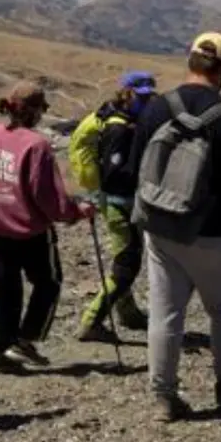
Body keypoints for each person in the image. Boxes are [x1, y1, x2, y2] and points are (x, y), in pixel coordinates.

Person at [127, 32, 221, 422]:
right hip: (214, 232)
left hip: (160, 226)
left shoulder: (157, 108)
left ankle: (163, 396)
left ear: (190, 61)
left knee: (164, 312)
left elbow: (134, 169)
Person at [0, 81, 95, 374]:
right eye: (42, 108)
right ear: (35, 111)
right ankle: (25, 340)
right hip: (28, 230)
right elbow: (47, 197)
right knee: (48, 282)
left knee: (3, 288)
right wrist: (76, 212)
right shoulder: (36, 145)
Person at [68, 72, 157, 341]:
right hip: (120, 204)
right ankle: (91, 320)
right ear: (130, 94)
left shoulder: (119, 119)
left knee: (125, 257)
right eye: (143, 97)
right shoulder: (119, 128)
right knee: (127, 263)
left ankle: (128, 314)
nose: (148, 101)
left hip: (120, 202)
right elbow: (115, 174)